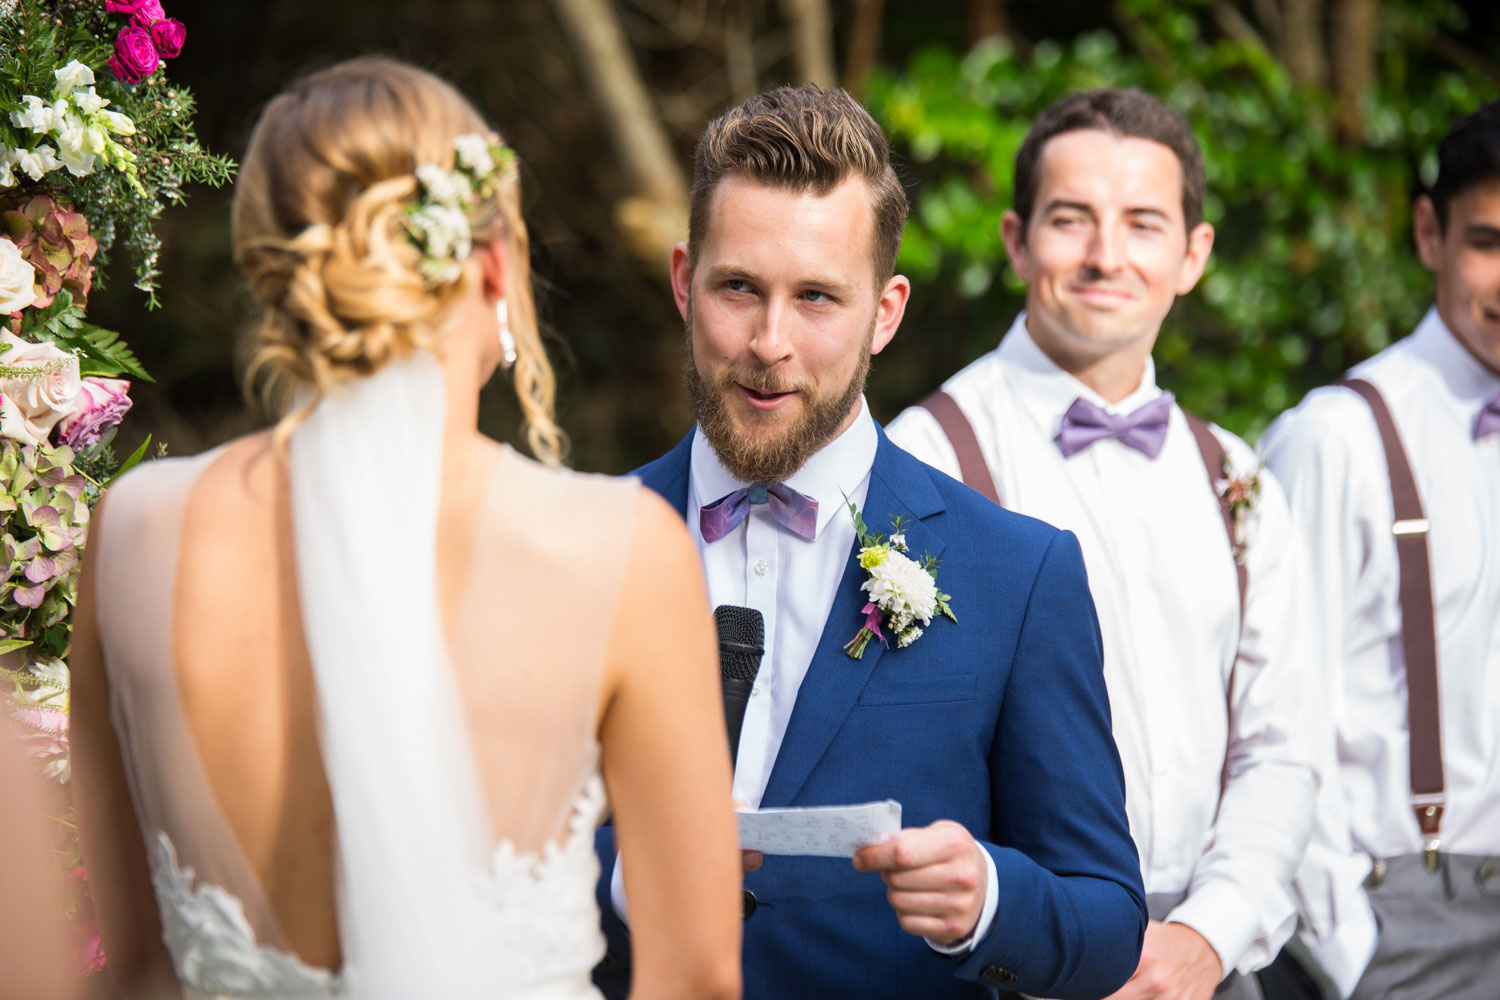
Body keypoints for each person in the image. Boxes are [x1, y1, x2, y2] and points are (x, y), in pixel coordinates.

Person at [68, 57, 741, 1000]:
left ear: (277, 274)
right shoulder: (623, 551)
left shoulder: (133, 531)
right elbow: (699, 980)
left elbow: (133, 973)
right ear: (495, 263)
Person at [593, 85, 1146, 1000]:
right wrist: (628, 874)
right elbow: (477, 843)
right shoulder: (574, 548)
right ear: (685, 280)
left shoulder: (1019, 574)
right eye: (740, 288)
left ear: (885, 313)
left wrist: (989, 902)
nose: (770, 342)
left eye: (816, 297)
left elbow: (1108, 919)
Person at [887, 88, 1321, 1000]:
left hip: (1215, 960)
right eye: (1071, 220)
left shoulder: (1233, 476)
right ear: (1015, 240)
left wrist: (1206, 935)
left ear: (1194, 255)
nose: (1106, 256)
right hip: (1010, 959)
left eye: (1143, 224)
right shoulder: (924, 460)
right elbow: (908, 751)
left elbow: (1282, 745)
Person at [1259, 100, 1500, 1000]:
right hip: (1405, 926)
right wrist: (1349, 945)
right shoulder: (1340, 440)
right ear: (1430, 233)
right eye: (1490, 241)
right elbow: (1276, 716)